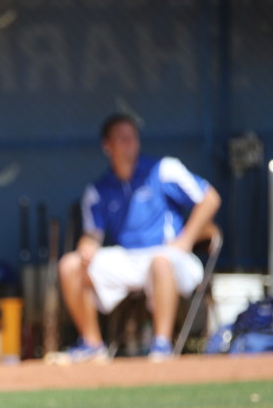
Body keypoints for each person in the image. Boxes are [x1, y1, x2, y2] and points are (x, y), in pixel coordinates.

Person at [54, 113, 221, 363]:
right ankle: (93, 346)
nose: (131, 144)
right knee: (69, 265)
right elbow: (92, 235)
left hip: (170, 255)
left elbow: (210, 199)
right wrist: (86, 247)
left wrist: (186, 239)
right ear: (107, 146)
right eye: (122, 139)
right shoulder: (98, 190)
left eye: (133, 138)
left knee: (160, 261)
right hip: (128, 257)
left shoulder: (163, 170)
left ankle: (162, 346)